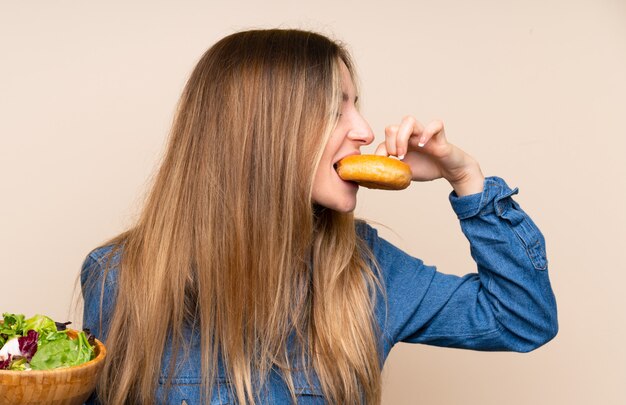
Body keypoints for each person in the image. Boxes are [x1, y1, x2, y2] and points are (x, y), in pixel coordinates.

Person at [81, 29, 558, 405]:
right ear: (262, 134)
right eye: (335, 109)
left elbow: (522, 318)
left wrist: (467, 178)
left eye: (357, 105)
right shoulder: (119, 276)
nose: (365, 130)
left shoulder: (367, 270)